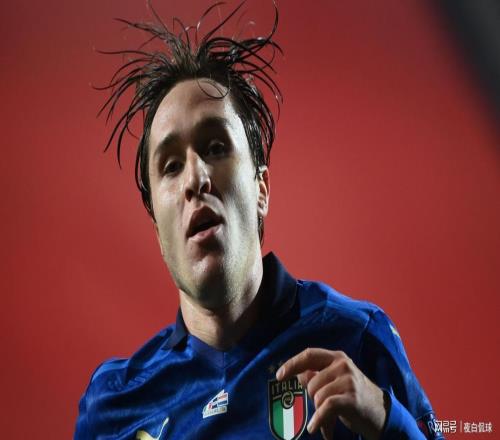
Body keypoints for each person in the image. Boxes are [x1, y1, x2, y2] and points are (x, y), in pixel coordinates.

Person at [75, 3, 444, 439]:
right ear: (157, 227)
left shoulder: (355, 338)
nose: (195, 178)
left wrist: (389, 421)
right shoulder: (115, 405)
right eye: (171, 166)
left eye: (215, 147)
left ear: (261, 190)